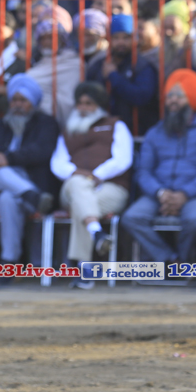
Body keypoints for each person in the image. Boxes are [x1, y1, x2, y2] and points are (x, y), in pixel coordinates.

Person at [121, 70, 196, 265]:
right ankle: (169, 258)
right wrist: (161, 193)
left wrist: (185, 194)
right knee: (131, 218)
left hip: (194, 195)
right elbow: (144, 172)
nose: (173, 100)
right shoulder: (155, 132)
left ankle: (184, 260)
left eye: (179, 95)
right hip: (158, 194)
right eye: (170, 96)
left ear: (192, 99)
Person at [0, 75, 59, 271]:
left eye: (23, 100)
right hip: (0, 190)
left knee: (8, 198)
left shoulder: (46, 124)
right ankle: (31, 195)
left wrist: (8, 159)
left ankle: (8, 262)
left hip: (30, 184)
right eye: (14, 100)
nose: (18, 105)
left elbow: (42, 151)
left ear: (33, 103)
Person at [49, 82, 132, 282]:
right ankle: (96, 234)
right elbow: (57, 163)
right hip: (72, 189)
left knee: (82, 205)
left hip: (111, 188)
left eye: (89, 103)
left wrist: (96, 175)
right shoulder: (69, 130)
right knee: (77, 185)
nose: (83, 108)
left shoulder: (116, 125)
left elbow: (123, 159)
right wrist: (79, 175)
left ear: (99, 106)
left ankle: (84, 268)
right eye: (80, 103)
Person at [85, 14, 159, 136]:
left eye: (126, 38)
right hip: (102, 133)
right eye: (116, 38)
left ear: (134, 39)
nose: (121, 42)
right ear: (109, 39)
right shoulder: (98, 66)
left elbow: (142, 96)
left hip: (137, 132)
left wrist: (113, 76)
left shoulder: (143, 66)